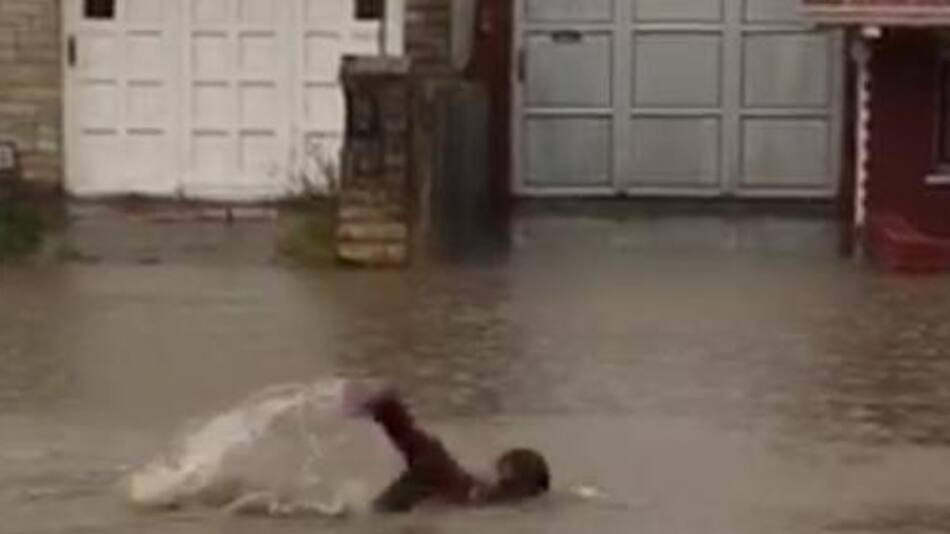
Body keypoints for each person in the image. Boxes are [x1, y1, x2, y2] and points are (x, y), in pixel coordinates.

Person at [344, 380, 551, 513]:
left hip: (435, 476)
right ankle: (386, 407)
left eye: (501, 468)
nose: (494, 470)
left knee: (424, 450)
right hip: (437, 477)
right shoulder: (504, 496)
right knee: (424, 451)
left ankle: (386, 407)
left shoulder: (498, 495)